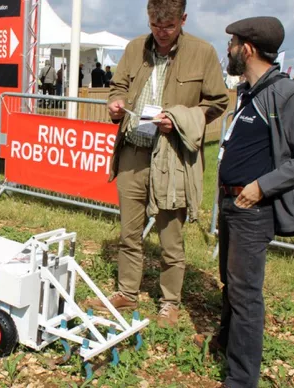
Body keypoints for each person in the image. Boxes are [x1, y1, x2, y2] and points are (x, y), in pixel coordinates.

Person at [193, 17, 294, 388]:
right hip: (233, 205)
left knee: (246, 293)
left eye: (232, 43)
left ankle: (241, 379)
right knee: (230, 283)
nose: (229, 50)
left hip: (254, 210)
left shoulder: (285, 94)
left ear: (247, 48)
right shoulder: (250, 91)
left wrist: (262, 186)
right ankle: (226, 342)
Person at [84, 0, 229, 329]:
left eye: (169, 26)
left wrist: (180, 120)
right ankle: (126, 291)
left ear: (183, 19)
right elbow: (118, 86)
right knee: (129, 232)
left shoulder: (202, 52)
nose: (161, 33)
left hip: (172, 157)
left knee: (170, 237)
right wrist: (115, 104)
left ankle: (169, 303)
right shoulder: (135, 48)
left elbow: (218, 101)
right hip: (133, 153)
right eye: (155, 25)